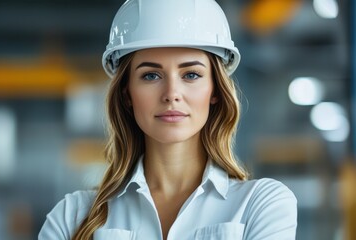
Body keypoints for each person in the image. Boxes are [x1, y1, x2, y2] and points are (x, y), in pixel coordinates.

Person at [39, 0, 297, 239]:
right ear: (127, 93)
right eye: (151, 75)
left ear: (215, 90)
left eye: (191, 75)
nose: (172, 94)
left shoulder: (261, 204)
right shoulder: (71, 217)